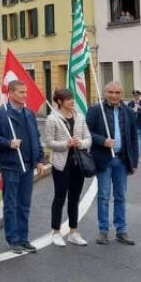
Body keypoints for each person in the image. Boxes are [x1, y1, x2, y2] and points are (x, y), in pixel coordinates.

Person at [0, 80, 44, 254]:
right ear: (11, 93)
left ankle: (24, 238)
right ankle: (13, 239)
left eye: (25, 92)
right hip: (11, 165)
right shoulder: (0, 114)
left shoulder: (29, 113)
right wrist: (8, 143)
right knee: (11, 204)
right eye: (21, 92)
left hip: (27, 165)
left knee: (24, 204)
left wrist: (39, 159)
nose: (25, 95)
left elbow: (35, 136)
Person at [86, 81, 138, 245]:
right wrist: (102, 141)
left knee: (121, 196)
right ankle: (103, 230)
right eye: (110, 92)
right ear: (105, 92)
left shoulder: (128, 112)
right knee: (103, 196)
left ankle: (121, 230)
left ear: (122, 94)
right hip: (104, 160)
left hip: (122, 160)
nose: (114, 95)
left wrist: (134, 162)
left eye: (117, 92)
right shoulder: (96, 111)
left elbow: (133, 139)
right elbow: (87, 133)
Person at [44, 88, 92, 247]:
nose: (72, 101)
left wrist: (81, 143)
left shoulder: (79, 117)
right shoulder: (52, 119)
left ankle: (73, 232)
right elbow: (49, 142)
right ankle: (56, 232)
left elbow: (88, 138)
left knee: (74, 198)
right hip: (61, 164)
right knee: (59, 198)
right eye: (68, 99)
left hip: (78, 164)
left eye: (72, 98)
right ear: (59, 101)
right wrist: (66, 144)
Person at [127, 90, 141, 155]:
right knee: (133, 137)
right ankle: (134, 149)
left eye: (137, 96)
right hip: (133, 123)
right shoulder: (130, 103)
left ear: (139, 96)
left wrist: (140, 108)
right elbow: (127, 113)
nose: (136, 97)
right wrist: (132, 110)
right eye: (134, 96)